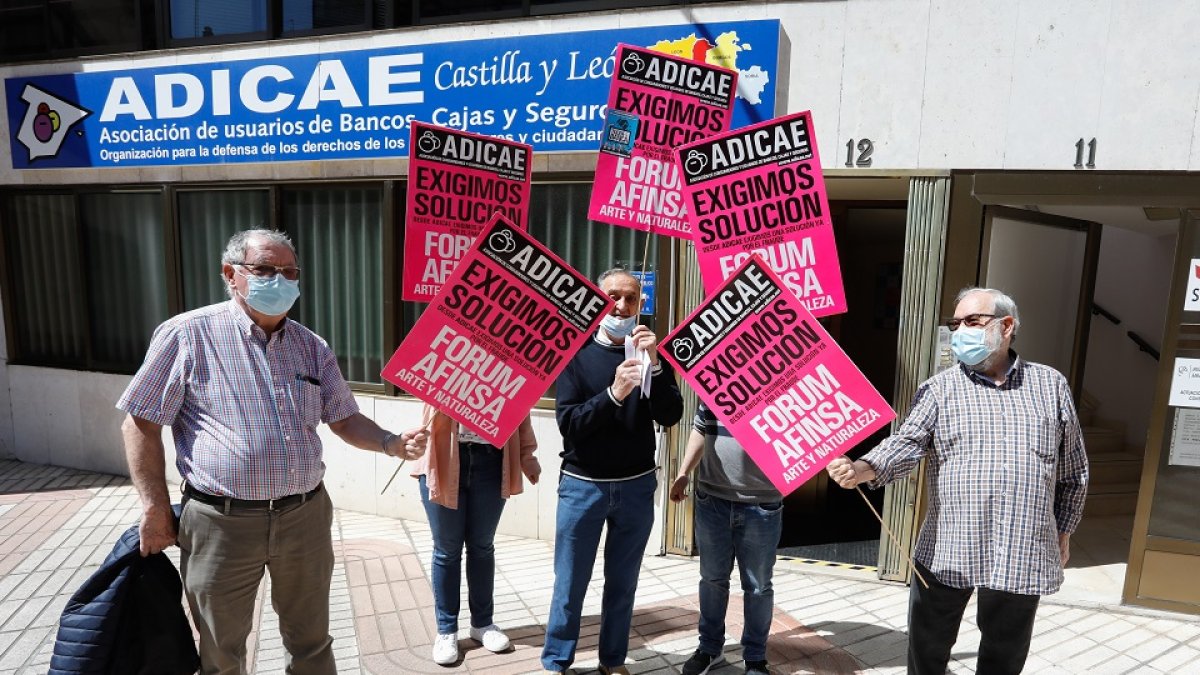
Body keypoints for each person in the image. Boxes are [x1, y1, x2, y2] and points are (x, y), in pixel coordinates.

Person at [118, 229, 428, 675]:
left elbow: (343, 419)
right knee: (221, 650)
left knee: (312, 642)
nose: (278, 280)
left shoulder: (311, 346)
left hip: (304, 517)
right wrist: (153, 507)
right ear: (231, 275)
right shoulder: (186, 334)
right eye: (264, 269)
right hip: (219, 523)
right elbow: (140, 422)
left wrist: (391, 442)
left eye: (288, 272)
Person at [826, 287, 1089, 675]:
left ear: (1006, 326)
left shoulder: (1049, 386)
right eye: (956, 323)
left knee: (1005, 653)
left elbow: (1074, 469)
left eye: (972, 321)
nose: (960, 330)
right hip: (950, 548)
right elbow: (907, 443)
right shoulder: (940, 389)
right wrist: (863, 468)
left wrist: (1062, 530)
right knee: (928, 647)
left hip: (1022, 546)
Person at [540, 268, 684, 675]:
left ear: (642, 305)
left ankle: (612, 660)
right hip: (583, 486)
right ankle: (556, 661)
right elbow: (570, 425)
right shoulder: (576, 354)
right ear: (598, 301)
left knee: (622, 585)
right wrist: (613, 394)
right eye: (612, 297)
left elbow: (671, 414)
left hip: (636, 486)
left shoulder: (650, 354)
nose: (621, 306)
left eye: (631, 298)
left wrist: (655, 368)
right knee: (569, 583)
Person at [410, 403, 541, 665]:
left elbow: (521, 408)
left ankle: (482, 624)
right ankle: (446, 630)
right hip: (445, 456)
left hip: (492, 458)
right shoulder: (443, 363)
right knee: (447, 551)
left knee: (482, 547)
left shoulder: (508, 366)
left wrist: (527, 456)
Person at [670, 404, 782, 675]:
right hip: (712, 500)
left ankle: (755, 658)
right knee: (711, 580)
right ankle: (709, 649)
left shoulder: (783, 383)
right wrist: (684, 472)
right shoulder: (718, 379)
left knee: (757, 586)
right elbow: (700, 429)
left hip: (762, 502)